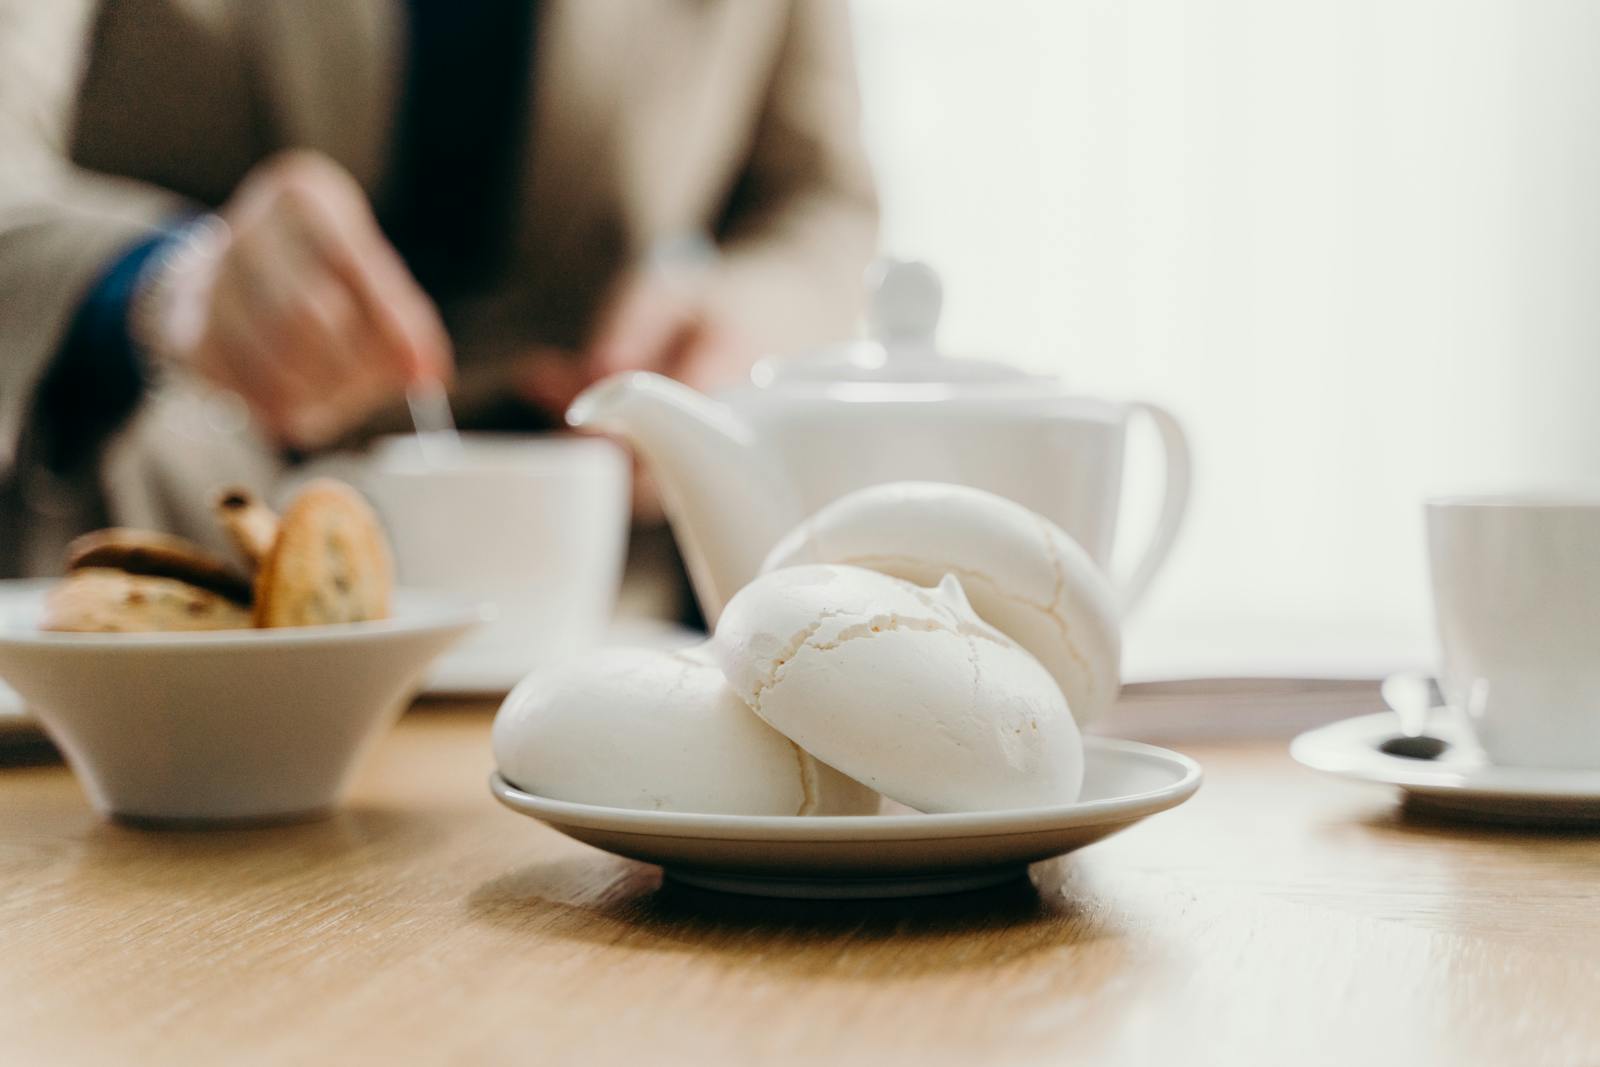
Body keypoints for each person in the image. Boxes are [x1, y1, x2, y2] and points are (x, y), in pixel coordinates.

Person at [0, 0, 877, 579]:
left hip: (604, 580)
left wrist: (737, 329)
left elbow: (816, 196)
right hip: (171, 549)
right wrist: (168, 285)